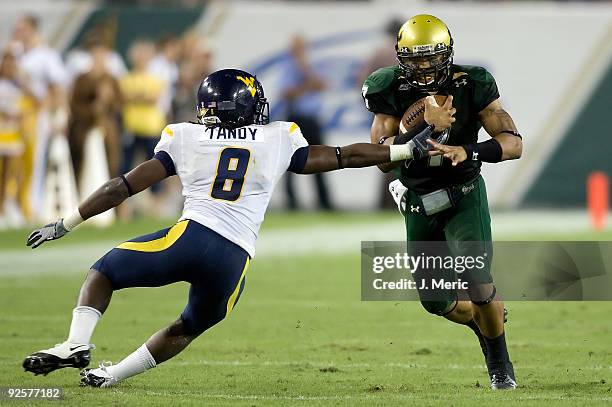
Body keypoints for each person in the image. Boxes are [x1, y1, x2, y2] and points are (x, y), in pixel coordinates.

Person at [22, 68, 441, 387]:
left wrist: (66, 221)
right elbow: (344, 155)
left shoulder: (184, 136)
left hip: (191, 237)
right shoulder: (277, 137)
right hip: (235, 260)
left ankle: (77, 342)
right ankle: (112, 377)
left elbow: (123, 186)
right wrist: (407, 148)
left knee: (104, 272)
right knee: (190, 325)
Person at [362, 15, 523, 390]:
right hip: (419, 199)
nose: (423, 67)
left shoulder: (473, 82)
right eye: (414, 59)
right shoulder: (386, 87)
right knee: (437, 302)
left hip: (463, 194)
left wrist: (468, 150)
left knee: (478, 282)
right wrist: (421, 129)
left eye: (431, 58)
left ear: (448, 54)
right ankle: (487, 323)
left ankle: (499, 362)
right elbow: (383, 159)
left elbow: (514, 143)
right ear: (400, 58)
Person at [279, 35, 332, 210]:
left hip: (311, 118)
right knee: (289, 161)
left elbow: (322, 84)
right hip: (296, 118)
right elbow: (286, 93)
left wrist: (305, 74)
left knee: (321, 159)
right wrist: (307, 85)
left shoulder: (311, 66)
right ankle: (291, 202)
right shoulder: (288, 68)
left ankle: (324, 201)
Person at [68, 41, 123, 184]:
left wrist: (108, 100)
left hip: (106, 124)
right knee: (81, 154)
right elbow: (75, 105)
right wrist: (93, 110)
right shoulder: (82, 79)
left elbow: (119, 104)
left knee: (112, 154)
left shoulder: (111, 79)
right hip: (84, 125)